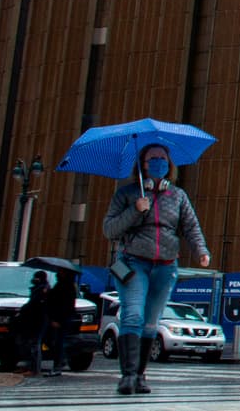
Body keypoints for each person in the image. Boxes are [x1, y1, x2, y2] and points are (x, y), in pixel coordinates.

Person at [104, 143, 211, 395]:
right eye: (153, 158)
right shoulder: (127, 194)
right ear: (142, 163)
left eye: (163, 158)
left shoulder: (177, 196)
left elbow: (191, 226)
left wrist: (201, 250)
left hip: (165, 266)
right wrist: (135, 210)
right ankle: (127, 376)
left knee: (151, 322)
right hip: (133, 263)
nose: (159, 162)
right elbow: (109, 229)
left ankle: (140, 374)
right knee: (133, 315)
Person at [41, 271, 78, 377]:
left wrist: (57, 320)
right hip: (60, 318)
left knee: (56, 341)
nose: (58, 272)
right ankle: (60, 361)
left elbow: (64, 304)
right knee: (55, 341)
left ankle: (58, 364)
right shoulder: (63, 285)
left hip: (60, 319)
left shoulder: (66, 286)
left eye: (60, 271)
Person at [14, 271, 50, 375]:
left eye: (36, 277)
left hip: (37, 320)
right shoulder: (40, 288)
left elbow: (33, 304)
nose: (34, 279)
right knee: (28, 344)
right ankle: (28, 366)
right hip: (32, 320)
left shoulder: (42, 290)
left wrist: (23, 310)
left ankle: (34, 369)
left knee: (34, 344)